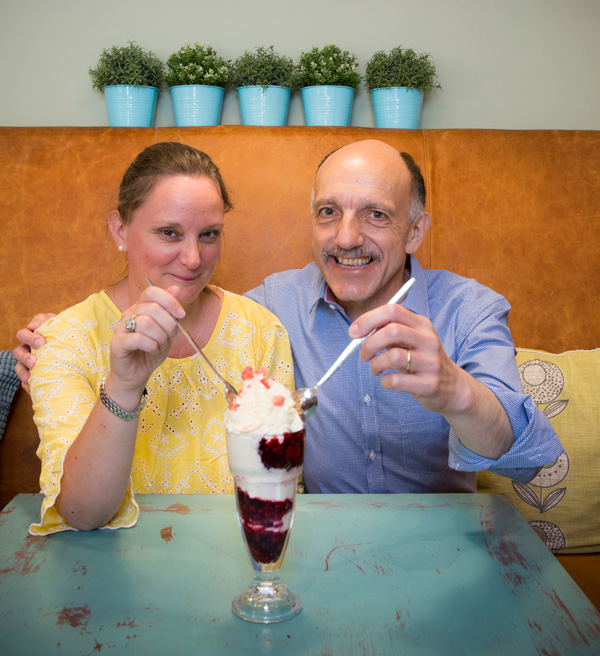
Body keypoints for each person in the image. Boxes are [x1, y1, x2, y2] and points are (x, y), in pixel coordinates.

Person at [15, 140, 562, 498]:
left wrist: (455, 390)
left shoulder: (469, 310)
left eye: (376, 214)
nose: (347, 237)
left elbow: (531, 461)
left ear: (415, 231)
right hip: (316, 548)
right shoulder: (271, 308)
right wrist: (56, 338)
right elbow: (190, 301)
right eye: (329, 213)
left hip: (441, 549)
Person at [21, 142, 295, 536]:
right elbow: (83, 513)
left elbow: (280, 483)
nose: (193, 258)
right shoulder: (64, 341)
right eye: (169, 232)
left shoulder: (260, 331)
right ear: (120, 230)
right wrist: (123, 385)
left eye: (209, 234)